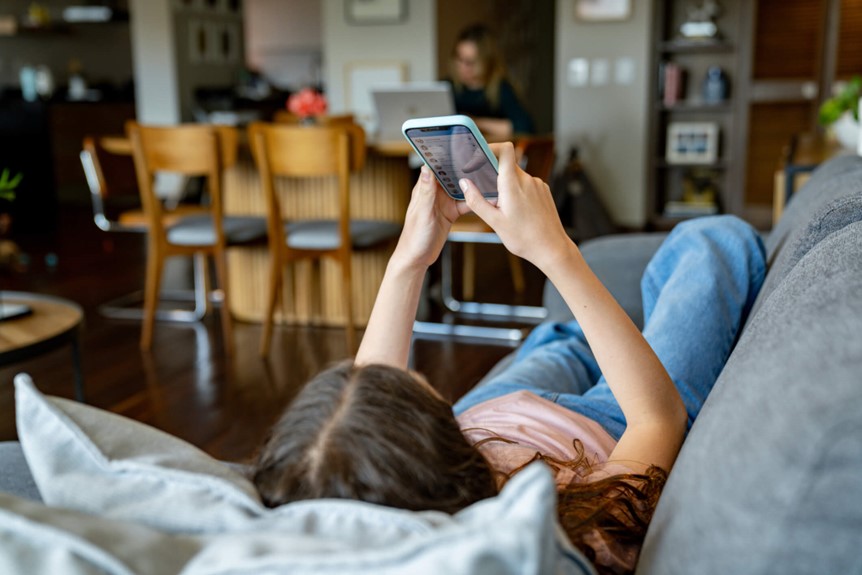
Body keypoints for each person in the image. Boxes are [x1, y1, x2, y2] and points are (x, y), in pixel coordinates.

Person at [251, 143, 766, 573]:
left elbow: (367, 406)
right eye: (418, 398)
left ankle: (585, 340)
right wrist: (554, 250)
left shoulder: (343, 491)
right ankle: (613, 341)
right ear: (443, 460)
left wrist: (412, 256)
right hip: (605, 425)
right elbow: (657, 417)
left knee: (561, 337)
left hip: (492, 411)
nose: (397, 378)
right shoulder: (575, 529)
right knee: (713, 240)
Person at [447, 23, 534, 139]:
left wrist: (474, 122)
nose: (463, 67)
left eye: (469, 62)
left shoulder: (501, 89)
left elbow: (523, 127)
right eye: (459, 59)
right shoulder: (447, 87)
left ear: (486, 62)